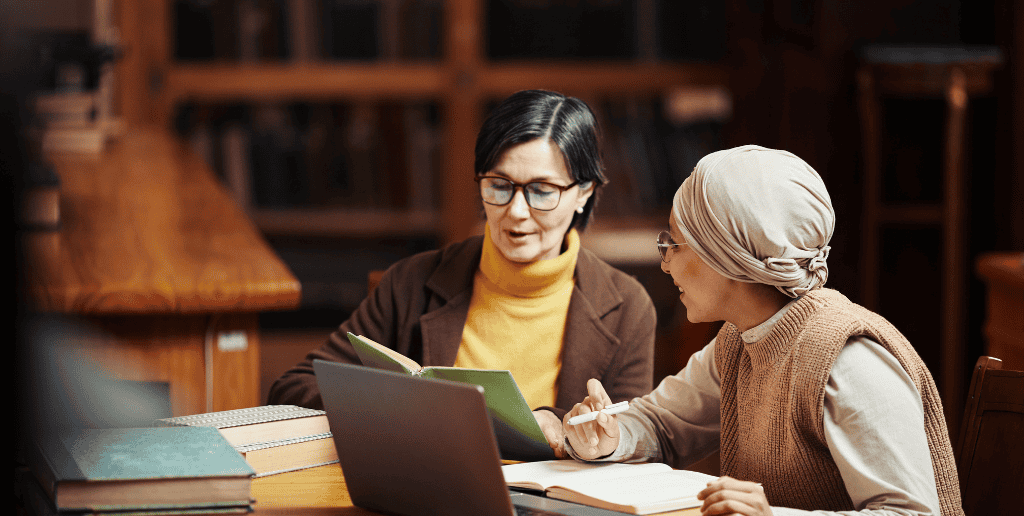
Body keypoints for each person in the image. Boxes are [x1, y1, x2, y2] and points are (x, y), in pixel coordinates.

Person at [562, 145, 963, 516]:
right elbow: (663, 424)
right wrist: (610, 438)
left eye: (675, 244)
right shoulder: (739, 342)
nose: (665, 263)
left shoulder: (849, 360)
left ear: (727, 256)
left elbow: (911, 513)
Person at [268, 89, 656, 457]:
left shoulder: (628, 308)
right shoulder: (412, 282)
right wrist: (401, 406)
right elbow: (293, 387)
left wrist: (564, 427)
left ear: (584, 192)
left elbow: (635, 441)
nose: (516, 211)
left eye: (541, 190)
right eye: (499, 186)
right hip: (430, 487)